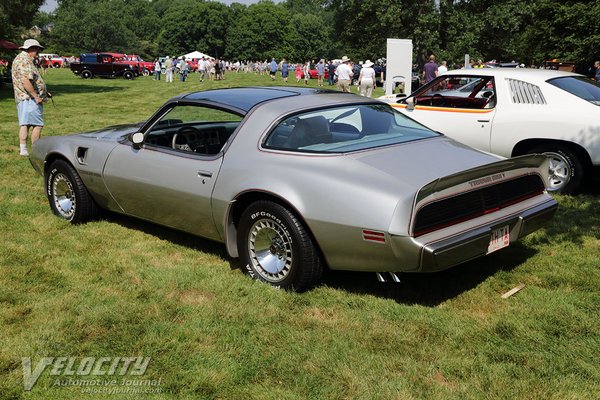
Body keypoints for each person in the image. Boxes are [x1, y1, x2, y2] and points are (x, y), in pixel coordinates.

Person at [12, 39, 50, 156]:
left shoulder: (21, 58)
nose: (38, 52)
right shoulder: (25, 60)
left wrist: (44, 92)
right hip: (29, 99)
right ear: (31, 49)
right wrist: (36, 96)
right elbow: (25, 81)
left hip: (23, 97)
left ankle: (23, 150)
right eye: (37, 49)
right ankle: (35, 150)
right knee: (38, 125)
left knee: (25, 124)